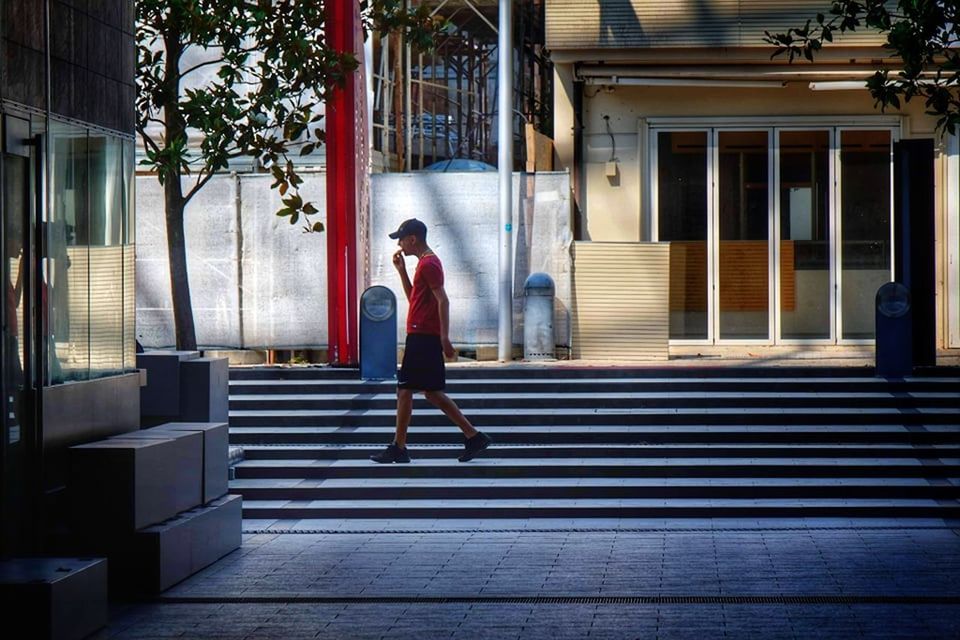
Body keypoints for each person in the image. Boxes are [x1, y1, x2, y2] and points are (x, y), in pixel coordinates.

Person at [371, 218, 492, 464]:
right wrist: (402, 270)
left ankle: (399, 447)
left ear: (412, 239)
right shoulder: (425, 265)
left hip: (423, 336)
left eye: (401, 239)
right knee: (431, 393)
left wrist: (445, 338)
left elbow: (443, 300)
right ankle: (473, 436)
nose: (400, 244)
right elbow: (414, 298)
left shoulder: (429, 265)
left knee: (404, 389)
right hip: (422, 334)